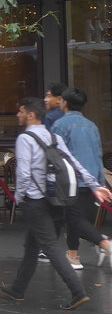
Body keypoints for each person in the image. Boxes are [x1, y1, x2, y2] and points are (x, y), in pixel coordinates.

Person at [0, 97, 112, 310]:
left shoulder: (25, 139)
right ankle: (18, 289)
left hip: (36, 200)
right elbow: (74, 163)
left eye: (20, 111)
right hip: (57, 200)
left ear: (31, 114)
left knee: (50, 246)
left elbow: (23, 172)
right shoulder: (54, 136)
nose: (18, 115)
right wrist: (95, 186)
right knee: (32, 246)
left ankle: (78, 293)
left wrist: (19, 197)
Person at [52, 88, 112, 270]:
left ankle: (106, 245)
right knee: (76, 218)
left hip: (71, 180)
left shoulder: (59, 126)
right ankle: (73, 255)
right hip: (92, 179)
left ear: (64, 103)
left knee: (74, 220)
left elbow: (56, 155)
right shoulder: (91, 125)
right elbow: (97, 153)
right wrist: (100, 182)